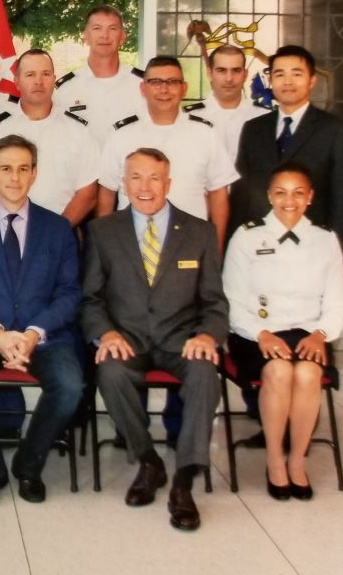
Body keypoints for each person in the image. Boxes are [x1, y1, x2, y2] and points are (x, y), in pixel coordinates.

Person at [81, 148, 228, 531]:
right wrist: (105, 332)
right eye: (135, 178)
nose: (144, 187)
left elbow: (215, 302)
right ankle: (149, 461)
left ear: (168, 184)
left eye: (154, 179)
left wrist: (208, 336)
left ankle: (183, 481)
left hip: (183, 340)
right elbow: (90, 299)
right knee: (109, 373)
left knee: (204, 374)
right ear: (123, 182)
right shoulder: (102, 231)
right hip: (127, 339)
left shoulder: (199, 231)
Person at [0, 135, 84, 507]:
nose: (14, 177)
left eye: (23, 169)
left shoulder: (57, 227)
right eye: (5, 169)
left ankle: (28, 464)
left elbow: (69, 292)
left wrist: (30, 333)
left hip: (42, 334)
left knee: (71, 385)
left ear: (34, 174)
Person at [223, 161, 343, 501]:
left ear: (310, 197)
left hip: (308, 333)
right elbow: (232, 299)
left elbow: (337, 300)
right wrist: (261, 333)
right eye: (280, 192)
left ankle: (297, 461)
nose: (288, 200)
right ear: (268, 196)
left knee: (308, 374)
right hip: (256, 334)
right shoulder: (247, 236)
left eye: (297, 193)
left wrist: (322, 333)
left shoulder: (324, 240)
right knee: (278, 371)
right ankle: (275, 460)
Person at [230, 44, 343, 257]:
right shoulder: (253, 129)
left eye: (296, 74)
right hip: (259, 248)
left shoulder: (336, 131)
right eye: (279, 74)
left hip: (312, 250)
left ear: (312, 81)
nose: (287, 81)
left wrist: (336, 256)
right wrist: (233, 248)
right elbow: (241, 196)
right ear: (271, 81)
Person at [97, 56, 238, 251]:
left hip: (191, 247)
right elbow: (107, 194)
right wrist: (105, 250)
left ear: (184, 88)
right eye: (156, 82)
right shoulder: (121, 136)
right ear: (143, 89)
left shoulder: (205, 135)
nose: (164, 90)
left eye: (172, 82)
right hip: (130, 250)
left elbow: (218, 196)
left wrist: (216, 249)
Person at [0, 49, 99, 226]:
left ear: (54, 79)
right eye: (30, 74)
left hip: (62, 232)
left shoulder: (78, 130)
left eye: (45, 74)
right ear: (17, 81)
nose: (38, 81)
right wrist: (18, 226)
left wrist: (57, 231)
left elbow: (88, 192)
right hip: (8, 231)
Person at [54, 5, 144, 146]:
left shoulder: (142, 85)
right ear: (85, 36)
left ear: (122, 37)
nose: (104, 35)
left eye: (112, 28)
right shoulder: (65, 89)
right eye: (97, 28)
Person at [182, 45, 270, 162]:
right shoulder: (189, 117)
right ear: (209, 74)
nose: (229, 78)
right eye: (221, 70)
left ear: (245, 75)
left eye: (236, 70)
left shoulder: (264, 116)